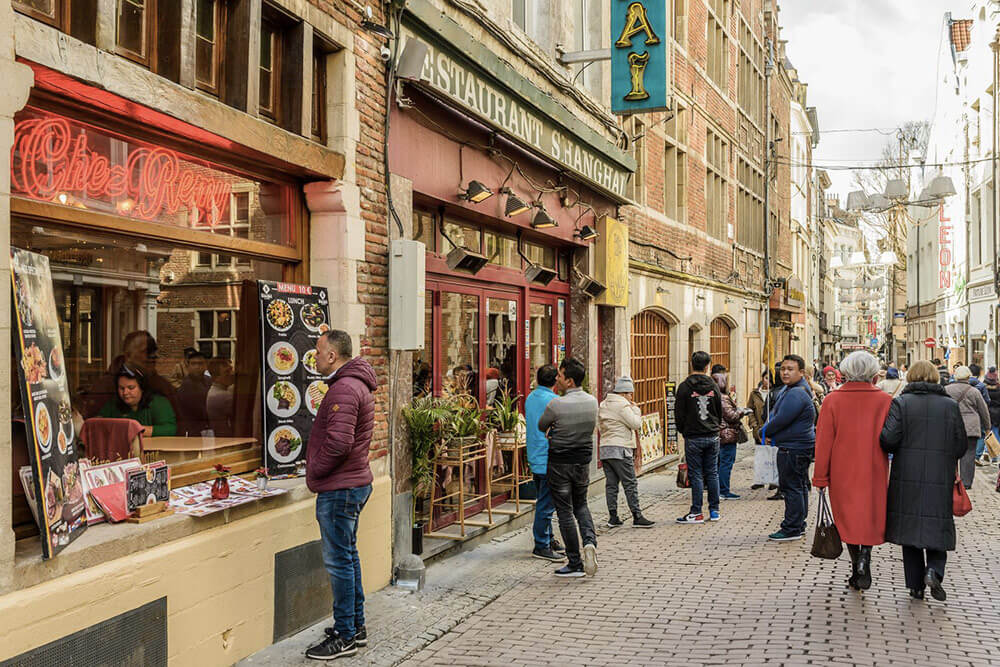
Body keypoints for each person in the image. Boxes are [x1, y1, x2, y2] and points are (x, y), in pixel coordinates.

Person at [305, 330, 376, 661]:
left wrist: (315, 471)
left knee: (339, 562)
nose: (315, 356)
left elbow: (338, 443)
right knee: (348, 557)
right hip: (351, 484)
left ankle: (345, 635)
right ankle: (355, 627)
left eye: (319, 351)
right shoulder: (353, 384)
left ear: (332, 355)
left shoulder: (344, 389)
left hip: (339, 487)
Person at [880, 360, 967, 601]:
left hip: (907, 475)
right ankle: (934, 571)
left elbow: (888, 439)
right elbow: (960, 445)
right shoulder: (950, 406)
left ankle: (915, 586)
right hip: (940, 475)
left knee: (910, 531)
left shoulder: (901, 403)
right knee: (938, 524)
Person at [812, 352, 892, 591]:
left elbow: (823, 441)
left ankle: (857, 562)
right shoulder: (885, 401)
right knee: (869, 516)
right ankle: (864, 559)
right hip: (874, 467)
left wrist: (820, 477)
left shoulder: (832, 400)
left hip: (842, 469)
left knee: (846, 518)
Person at [537, 357, 599, 578]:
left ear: (570, 381)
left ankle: (574, 561)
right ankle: (590, 542)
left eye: (561, 376)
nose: (558, 379)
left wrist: (555, 427)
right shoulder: (593, 402)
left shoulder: (556, 404)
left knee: (564, 511)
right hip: (583, 461)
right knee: (581, 505)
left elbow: (541, 425)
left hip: (559, 463)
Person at [762, 354, 816, 541]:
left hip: (793, 448)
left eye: (790, 369)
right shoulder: (793, 389)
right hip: (796, 446)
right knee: (798, 486)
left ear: (801, 372)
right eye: (783, 368)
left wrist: (765, 431)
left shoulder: (797, 393)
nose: (785, 372)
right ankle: (798, 523)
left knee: (792, 487)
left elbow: (781, 419)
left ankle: (791, 527)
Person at [599, 376, 655, 528]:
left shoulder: (603, 404)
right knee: (630, 483)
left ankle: (613, 517)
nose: (631, 397)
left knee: (611, 485)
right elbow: (636, 424)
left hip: (605, 448)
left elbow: (599, 426)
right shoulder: (623, 406)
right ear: (624, 393)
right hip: (621, 448)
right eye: (630, 394)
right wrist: (636, 409)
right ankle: (637, 516)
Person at [675, 351, 723, 524]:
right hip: (712, 435)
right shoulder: (714, 386)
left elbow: (678, 412)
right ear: (707, 366)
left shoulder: (684, 387)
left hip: (693, 436)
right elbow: (719, 409)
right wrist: (715, 425)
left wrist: (684, 430)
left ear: (691, 364)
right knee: (712, 473)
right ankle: (714, 510)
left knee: (695, 474)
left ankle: (696, 511)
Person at [83, 331, 177, 418]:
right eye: (145, 352)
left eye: (153, 351)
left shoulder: (161, 385)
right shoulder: (106, 385)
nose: (153, 356)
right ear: (128, 356)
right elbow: (94, 423)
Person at [524, 364, 564, 562]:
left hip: (534, 455)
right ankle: (541, 544)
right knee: (546, 505)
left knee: (544, 500)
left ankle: (548, 538)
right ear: (556, 380)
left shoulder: (531, 398)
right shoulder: (555, 401)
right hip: (548, 457)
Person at [945, 366, 991, 489]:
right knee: (969, 455)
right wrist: (987, 427)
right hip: (971, 427)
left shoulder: (947, 390)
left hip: (952, 426)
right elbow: (983, 410)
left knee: (951, 453)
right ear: (968, 376)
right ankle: (966, 482)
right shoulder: (974, 391)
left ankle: (951, 478)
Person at [98, 366, 177, 437]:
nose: (125, 392)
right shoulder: (113, 403)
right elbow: (98, 423)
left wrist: (135, 430)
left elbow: (170, 429)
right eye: (121, 388)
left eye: (131, 388)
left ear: (142, 388)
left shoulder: (158, 403)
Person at [714, 372, 743, 500]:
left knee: (719, 463)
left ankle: (719, 490)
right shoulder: (723, 398)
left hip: (719, 433)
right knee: (726, 463)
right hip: (727, 434)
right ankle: (723, 490)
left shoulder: (713, 396)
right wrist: (742, 411)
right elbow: (731, 416)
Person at [748, 372, 778, 492]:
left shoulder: (775, 393)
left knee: (772, 455)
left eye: (770, 379)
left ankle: (773, 481)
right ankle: (760, 479)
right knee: (761, 455)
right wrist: (753, 424)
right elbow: (750, 409)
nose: (767, 382)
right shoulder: (755, 393)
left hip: (771, 428)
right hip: (759, 429)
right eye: (766, 378)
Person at [176, 350, 211, 436]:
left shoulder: (209, 380)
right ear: (188, 366)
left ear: (205, 365)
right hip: (193, 430)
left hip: (207, 428)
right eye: (193, 363)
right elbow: (199, 410)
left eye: (200, 363)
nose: (197, 366)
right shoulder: (186, 385)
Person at [206, 357, 235, 436]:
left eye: (231, 370)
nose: (232, 374)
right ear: (216, 377)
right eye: (227, 372)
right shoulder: (221, 396)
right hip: (228, 440)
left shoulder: (215, 391)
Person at [982, 368, 1000, 465]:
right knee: (996, 433)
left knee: (987, 432)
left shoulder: (983, 388)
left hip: (987, 412)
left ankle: (986, 450)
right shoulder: (999, 388)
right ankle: (995, 456)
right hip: (997, 413)